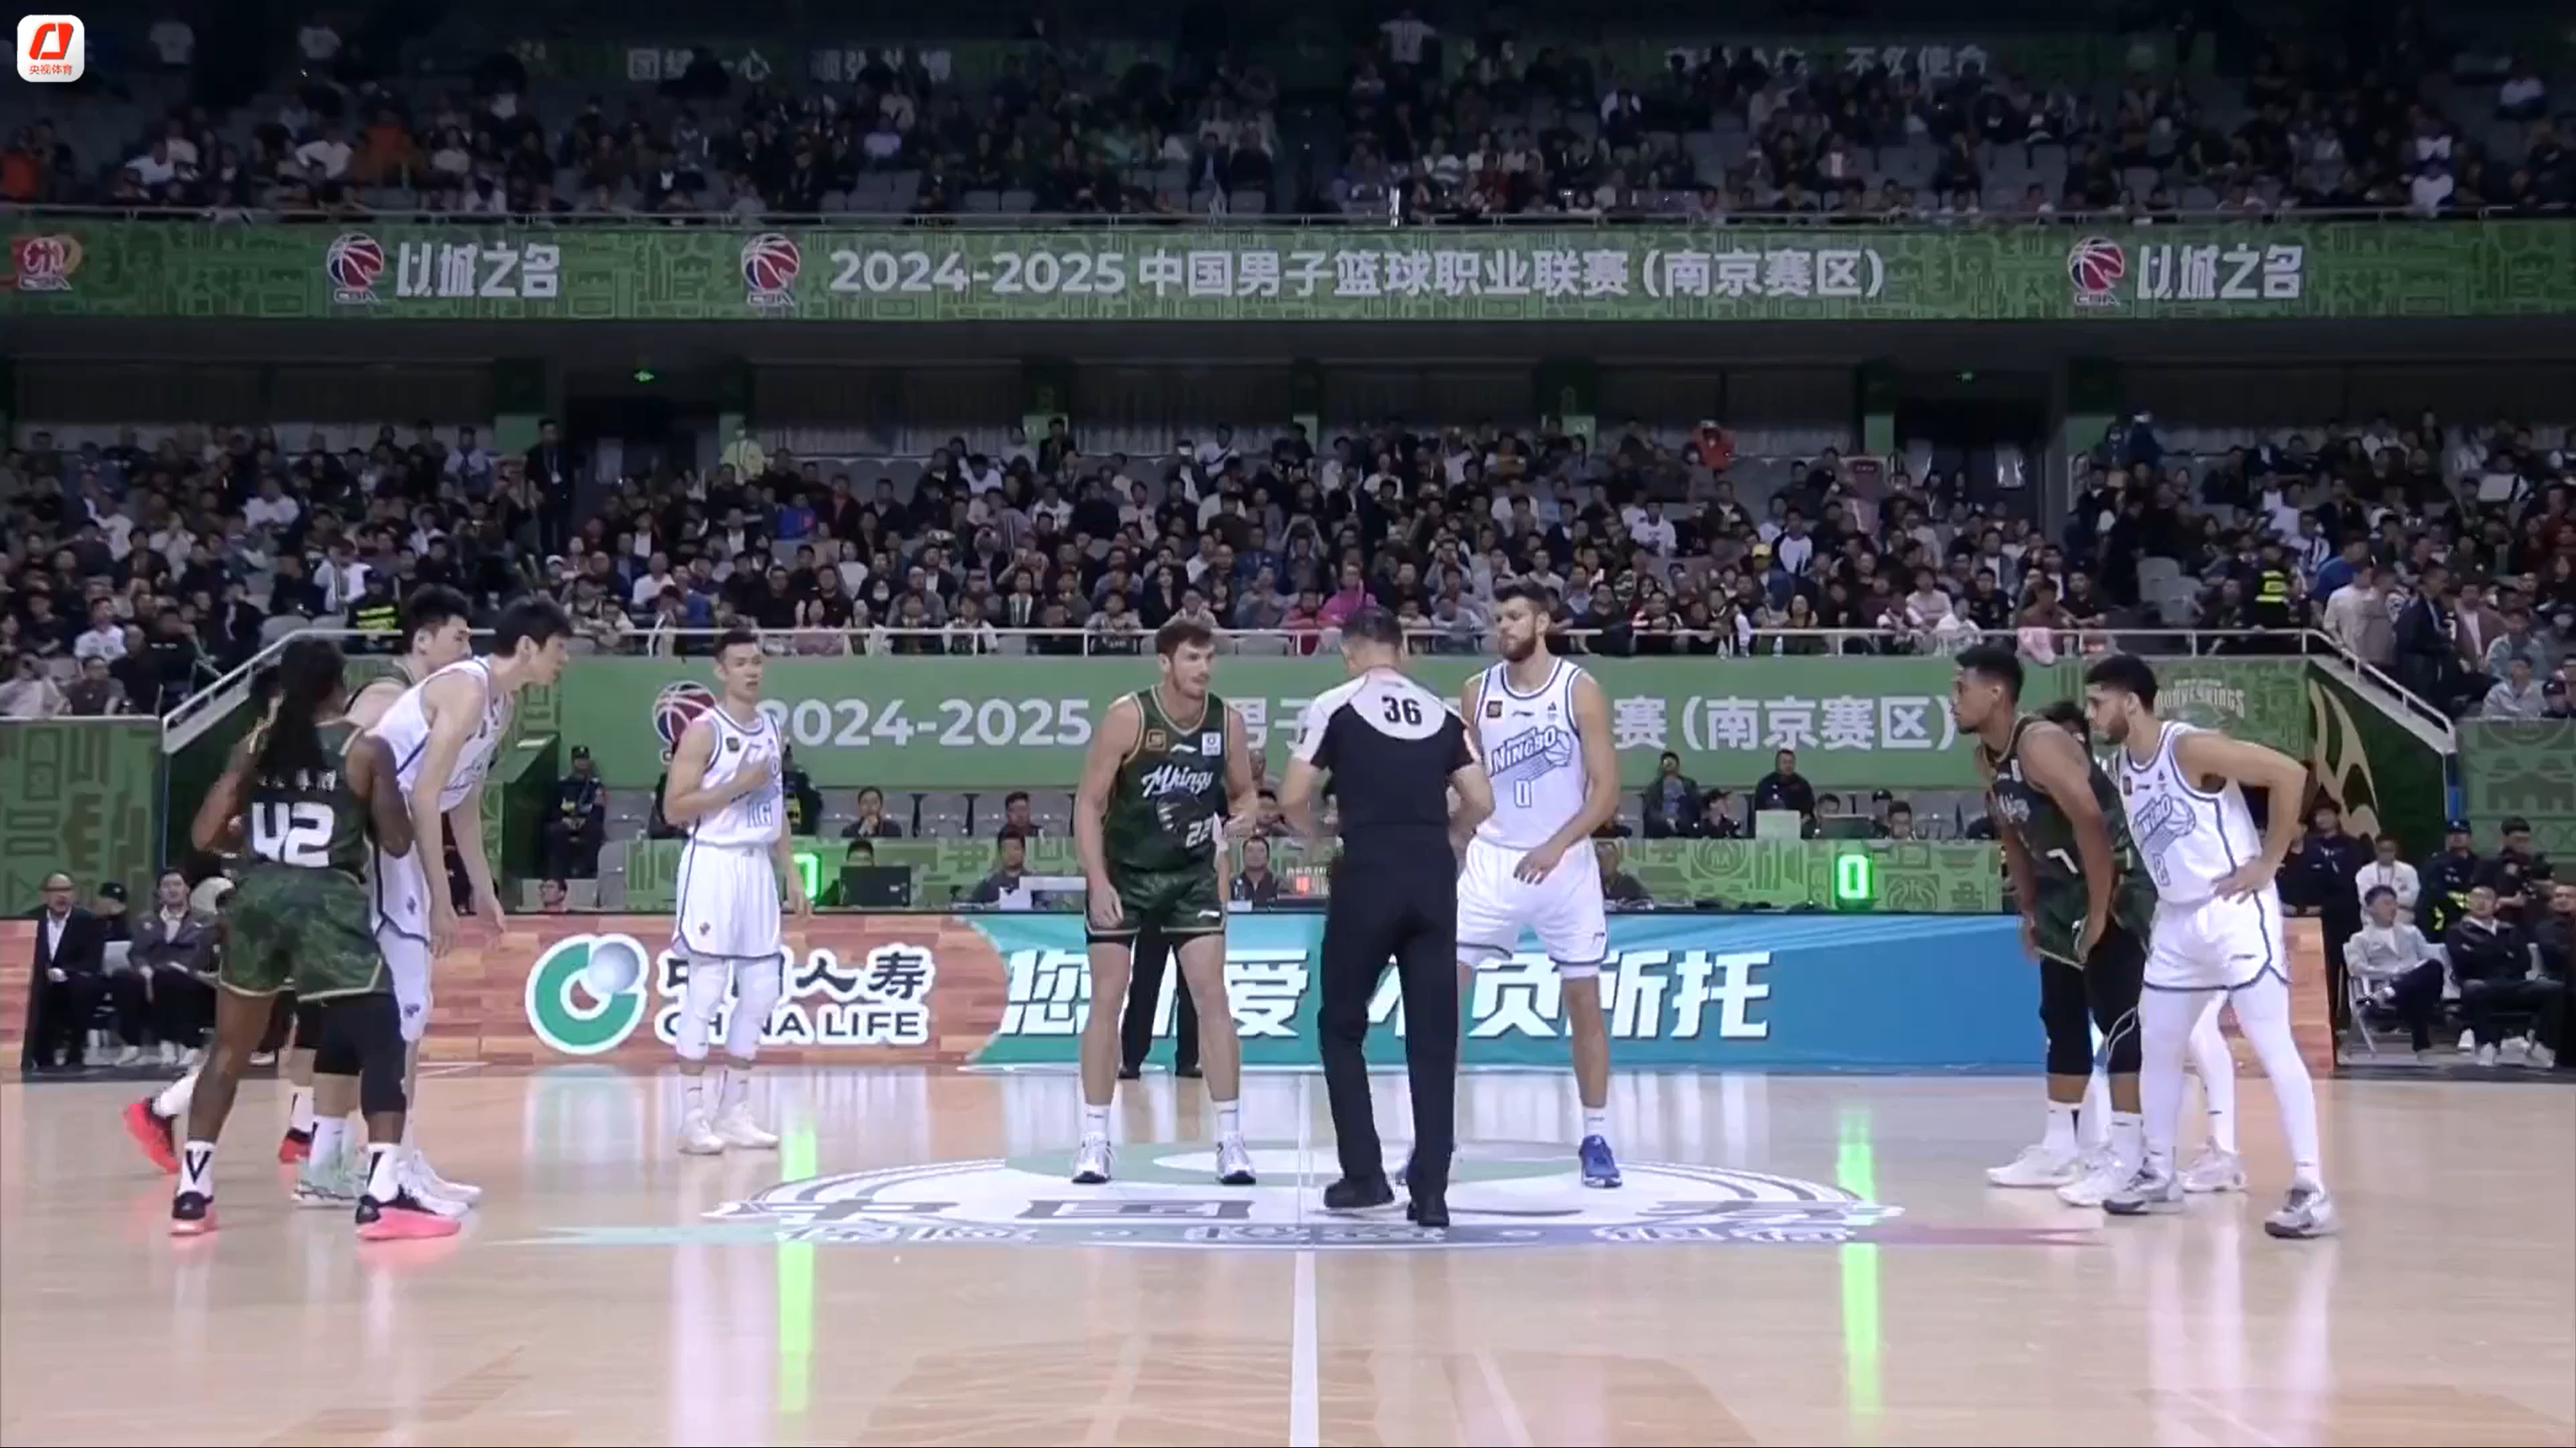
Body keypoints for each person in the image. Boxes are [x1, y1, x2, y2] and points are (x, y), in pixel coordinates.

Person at [156, 638, 457, 1239]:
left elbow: (205, 831)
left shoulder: (256, 746)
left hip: (259, 900)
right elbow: (396, 841)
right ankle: (382, 1192)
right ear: (335, 687)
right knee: (382, 1040)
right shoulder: (362, 747)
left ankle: (193, 1190)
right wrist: (375, 807)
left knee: (229, 1052)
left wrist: (251, 841)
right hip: (326, 904)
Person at [2085, 654, 2338, 1238]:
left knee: (2270, 1041)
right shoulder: (2123, 764)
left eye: (2099, 702)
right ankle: (2157, 1168)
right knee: (2159, 1041)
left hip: (2231, 907)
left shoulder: (2188, 747)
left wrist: (2269, 860)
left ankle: (2310, 1185)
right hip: (2176, 917)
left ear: (2129, 701)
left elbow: (2288, 774)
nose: (2093, 713)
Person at [1280, 607, 1491, 1226]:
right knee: (1433, 1037)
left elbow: (1293, 796)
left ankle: (1365, 1174)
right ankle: (1431, 1190)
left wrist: (1318, 833)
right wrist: (1448, 836)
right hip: (1431, 875)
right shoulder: (1441, 711)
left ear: (1349, 653)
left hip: (1367, 870)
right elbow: (1479, 799)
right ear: (1403, 650)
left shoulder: (1334, 705)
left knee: (1341, 1023)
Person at [366, 597, 572, 1205]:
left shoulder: (503, 705)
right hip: (380, 836)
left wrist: (482, 888)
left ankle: (400, 1154)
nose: (565, 662)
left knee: (412, 1006)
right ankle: (387, 1166)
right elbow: (424, 796)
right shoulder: (467, 687)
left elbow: (462, 801)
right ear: (529, 647)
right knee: (406, 1004)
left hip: (405, 838)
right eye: (560, 650)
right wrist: (439, 898)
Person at [279, 585, 472, 1200]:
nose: (467, 651)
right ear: (422, 640)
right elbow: (344, 778)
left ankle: (331, 1160)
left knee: (344, 1021)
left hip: (359, 873)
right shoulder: (391, 697)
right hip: (371, 872)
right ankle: (393, 1161)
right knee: (397, 1018)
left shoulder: (431, 702)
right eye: (458, 638)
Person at [1954, 650, 2159, 1205]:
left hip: (2113, 879)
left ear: (1995, 692)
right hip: (2060, 891)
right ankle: (2058, 1144)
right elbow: (2010, 834)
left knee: (2116, 1016)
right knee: (2059, 1011)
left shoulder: (2037, 742)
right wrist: (2028, 907)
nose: (1953, 700)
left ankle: (2131, 1154)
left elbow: (2091, 819)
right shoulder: (1986, 759)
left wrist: (2099, 909)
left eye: (1960, 688)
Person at [1070, 618, 1258, 1186]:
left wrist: (1245, 815)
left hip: (1191, 876)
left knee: (1212, 998)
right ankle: (1095, 1138)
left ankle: (1230, 1140)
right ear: (1165, 662)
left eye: (1209, 659)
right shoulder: (1128, 715)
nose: (1203, 668)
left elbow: (1243, 791)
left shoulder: (1226, 721)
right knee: (1107, 999)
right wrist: (1098, 881)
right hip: (1125, 874)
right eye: (1193, 658)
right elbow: (1087, 802)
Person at [1455, 581, 1624, 1186]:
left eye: (1514, 616)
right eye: (1498, 617)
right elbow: (1464, 781)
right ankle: (1436, 1137)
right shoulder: (1475, 691)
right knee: (1442, 1000)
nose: (1502, 626)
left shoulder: (1579, 689)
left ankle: (1597, 1135)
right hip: (1494, 859)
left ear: (1543, 622)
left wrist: (1556, 843)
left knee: (1584, 1003)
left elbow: (1605, 790)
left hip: (1565, 861)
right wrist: (1454, 834)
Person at [659, 629, 809, 1153]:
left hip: (756, 869)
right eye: (740, 662)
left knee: (762, 989)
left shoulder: (770, 726)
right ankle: (691, 1116)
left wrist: (789, 869)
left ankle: (734, 1109)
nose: (751, 670)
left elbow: (774, 803)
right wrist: (733, 785)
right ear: (720, 671)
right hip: (714, 863)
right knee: (706, 989)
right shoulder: (703, 732)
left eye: (757, 661)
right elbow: (673, 809)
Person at [2344, 884, 2446, 1058]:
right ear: (2369, 909)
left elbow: (2429, 959)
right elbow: (2356, 968)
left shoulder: (2411, 932)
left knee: (2433, 966)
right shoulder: (2360, 939)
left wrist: (2409, 973)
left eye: (2394, 903)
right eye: (2386, 903)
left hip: (2417, 985)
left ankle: (2392, 991)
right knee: (2416, 994)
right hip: (2389, 987)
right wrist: (2391, 973)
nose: (2392, 908)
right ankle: (2422, 1046)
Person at [21, 872, 107, 1071]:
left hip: (74, 982)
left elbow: (92, 961)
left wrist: (64, 972)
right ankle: (41, 1058)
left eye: (67, 890)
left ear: (74, 894)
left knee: (84, 987)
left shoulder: (89, 921)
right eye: (56, 890)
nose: (62, 896)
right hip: (41, 983)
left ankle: (75, 1055)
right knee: (34, 992)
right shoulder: (30, 920)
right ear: (44, 895)